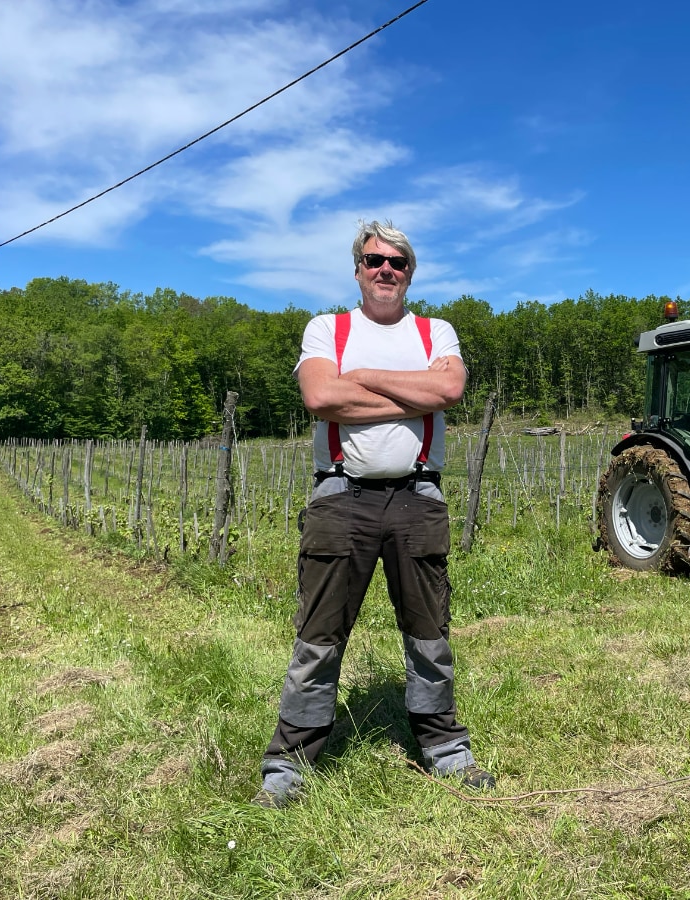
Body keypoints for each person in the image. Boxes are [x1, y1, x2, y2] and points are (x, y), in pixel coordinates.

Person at [253, 221, 494, 808]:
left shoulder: (436, 331)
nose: (385, 269)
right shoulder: (326, 329)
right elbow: (319, 397)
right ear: (357, 269)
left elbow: (448, 392)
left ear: (411, 271)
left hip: (418, 498)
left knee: (428, 630)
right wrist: (411, 392)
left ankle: (443, 748)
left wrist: (358, 379)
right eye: (373, 260)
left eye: (397, 261)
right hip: (341, 497)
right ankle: (290, 761)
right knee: (319, 634)